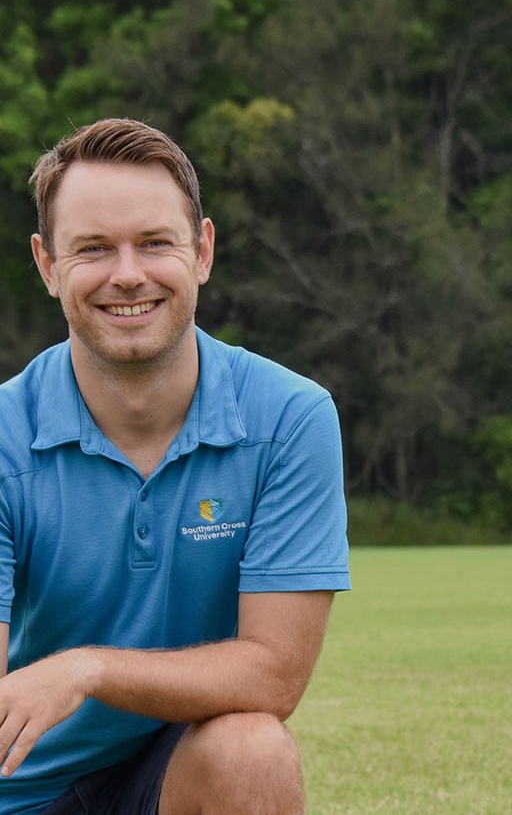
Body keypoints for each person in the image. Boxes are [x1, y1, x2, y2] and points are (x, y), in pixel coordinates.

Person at [0, 118, 351, 814]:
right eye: (93, 248)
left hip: (174, 777)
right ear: (47, 266)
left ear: (203, 250)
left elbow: (275, 677)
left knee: (251, 749)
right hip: (24, 792)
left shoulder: (290, 417)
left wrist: (88, 669)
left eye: (154, 243)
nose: (127, 274)